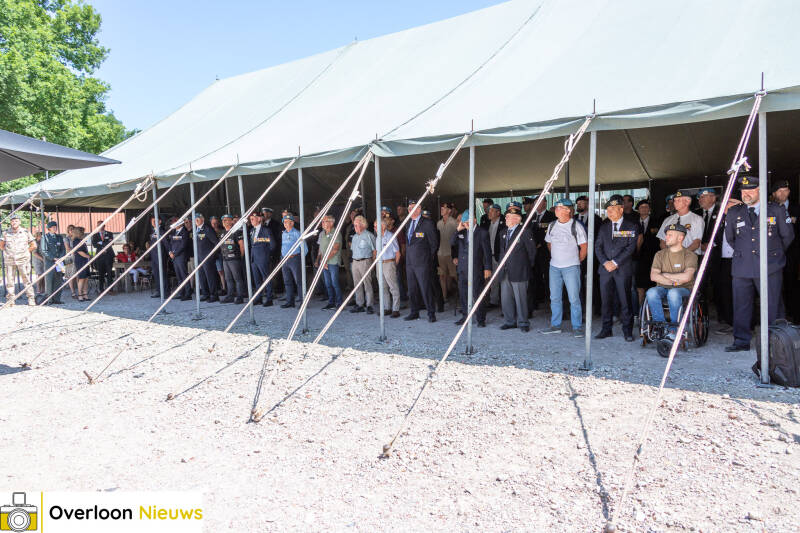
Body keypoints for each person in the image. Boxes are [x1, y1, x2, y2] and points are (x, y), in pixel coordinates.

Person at [724, 175, 794, 351]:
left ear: (760, 190)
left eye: (750, 190)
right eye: (743, 190)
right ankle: (741, 341)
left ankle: (775, 342)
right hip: (742, 266)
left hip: (770, 266)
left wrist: (772, 254)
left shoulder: (776, 210)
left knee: (773, 306)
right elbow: (731, 238)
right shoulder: (734, 212)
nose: (746, 194)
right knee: (741, 305)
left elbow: (787, 236)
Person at [594, 194, 639, 341]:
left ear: (621, 209)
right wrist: (605, 262)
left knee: (625, 300)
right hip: (605, 270)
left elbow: (630, 248)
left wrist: (615, 262)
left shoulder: (631, 226)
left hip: (622, 269)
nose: (610, 211)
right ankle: (606, 329)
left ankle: (627, 331)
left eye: (613, 208)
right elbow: (598, 247)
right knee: (605, 300)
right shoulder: (604, 227)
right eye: (608, 208)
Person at [540, 198, 587, 336]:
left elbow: (584, 247)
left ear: (568, 210)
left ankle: (577, 327)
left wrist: (576, 260)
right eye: (556, 208)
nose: (556, 210)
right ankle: (556, 325)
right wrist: (557, 257)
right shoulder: (552, 225)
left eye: (560, 208)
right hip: (554, 267)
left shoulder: (576, 226)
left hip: (571, 267)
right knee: (554, 297)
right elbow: (549, 244)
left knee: (574, 298)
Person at [646, 223, 698, 339]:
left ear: (680, 238)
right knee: (651, 292)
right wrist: (673, 281)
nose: (666, 238)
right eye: (666, 235)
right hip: (663, 288)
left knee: (673, 293)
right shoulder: (660, 254)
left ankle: (674, 330)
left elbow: (687, 277)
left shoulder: (690, 255)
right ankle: (661, 326)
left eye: (670, 235)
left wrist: (664, 275)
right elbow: (654, 276)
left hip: (684, 289)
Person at [496, 202, 537, 331]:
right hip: (505, 270)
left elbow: (532, 252)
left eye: (510, 217)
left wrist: (525, 266)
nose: (507, 219)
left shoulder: (524, 232)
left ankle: (523, 322)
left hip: (519, 270)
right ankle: (509, 321)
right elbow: (500, 251)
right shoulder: (503, 232)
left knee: (521, 299)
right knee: (506, 298)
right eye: (507, 216)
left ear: (517, 219)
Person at [451, 210, 492, 327]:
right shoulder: (462, 232)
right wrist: (457, 229)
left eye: (468, 222)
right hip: (463, 269)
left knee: (477, 293)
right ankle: (465, 316)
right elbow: (452, 242)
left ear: (474, 220)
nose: (466, 224)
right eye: (464, 223)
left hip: (476, 268)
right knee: (463, 294)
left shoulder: (482, 232)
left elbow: (487, 252)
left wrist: (487, 268)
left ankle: (481, 319)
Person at [404, 199, 439, 322]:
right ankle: (414, 312)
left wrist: (428, 259)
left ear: (419, 209)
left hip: (422, 262)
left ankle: (431, 313)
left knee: (425, 287)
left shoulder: (427, 223)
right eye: (408, 208)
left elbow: (434, 243)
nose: (410, 210)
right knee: (412, 288)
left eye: (412, 208)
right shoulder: (408, 223)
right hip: (410, 262)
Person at [770, 180, 800, 322]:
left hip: (793, 254)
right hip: (774, 254)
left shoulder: (796, 208)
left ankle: (794, 314)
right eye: (779, 191)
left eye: (785, 190)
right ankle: (778, 315)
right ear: (774, 193)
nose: (783, 193)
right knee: (775, 285)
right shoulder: (768, 208)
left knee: (791, 282)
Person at [527, 195, 556, 312]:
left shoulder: (552, 216)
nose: (536, 205)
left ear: (544, 203)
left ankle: (551, 305)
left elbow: (553, 235)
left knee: (549, 279)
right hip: (533, 254)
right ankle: (533, 303)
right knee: (533, 278)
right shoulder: (531, 216)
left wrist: (540, 244)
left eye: (538, 202)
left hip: (546, 253)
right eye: (535, 203)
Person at [0, 214, 37, 306]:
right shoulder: (5, 233)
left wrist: (25, 252)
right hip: (10, 260)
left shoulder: (25, 232)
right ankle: (10, 300)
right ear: (10, 222)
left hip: (23, 260)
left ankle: (31, 298)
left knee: (26, 280)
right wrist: (8, 253)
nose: (14, 223)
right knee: (10, 281)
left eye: (16, 221)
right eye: (12, 221)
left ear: (19, 222)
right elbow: (1, 245)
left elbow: (34, 245)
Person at [657, 190, 703, 255]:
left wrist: (680, 255)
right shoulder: (668, 220)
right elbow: (662, 241)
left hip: (689, 257)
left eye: (678, 200)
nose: (675, 203)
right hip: (670, 257)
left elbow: (696, 243)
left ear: (687, 202)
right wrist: (668, 255)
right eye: (675, 200)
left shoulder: (697, 219)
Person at [635, 199, 660, 312]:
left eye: (646, 207)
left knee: (652, 285)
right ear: (638, 210)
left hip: (652, 259)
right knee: (639, 286)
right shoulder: (633, 222)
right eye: (641, 207)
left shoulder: (657, 221)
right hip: (637, 259)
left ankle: (651, 310)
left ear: (649, 209)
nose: (644, 209)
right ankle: (641, 311)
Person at [349, 215, 377, 314]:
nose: (355, 227)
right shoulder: (355, 237)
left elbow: (375, 251)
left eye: (356, 225)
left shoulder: (369, 235)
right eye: (354, 225)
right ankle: (359, 304)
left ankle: (369, 305)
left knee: (367, 284)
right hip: (355, 262)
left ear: (362, 225)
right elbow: (353, 250)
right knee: (357, 284)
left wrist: (373, 263)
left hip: (365, 261)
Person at [249, 211, 277, 306]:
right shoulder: (252, 230)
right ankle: (259, 297)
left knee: (266, 278)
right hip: (254, 258)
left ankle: (269, 298)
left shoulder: (266, 230)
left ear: (259, 219)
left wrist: (266, 254)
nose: (251, 220)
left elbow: (273, 245)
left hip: (263, 258)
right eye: (251, 218)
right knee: (257, 280)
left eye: (253, 218)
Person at [375, 217, 401, 317]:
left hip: (389, 263)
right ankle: (387, 308)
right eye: (374, 226)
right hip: (379, 264)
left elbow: (398, 253)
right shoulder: (378, 237)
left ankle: (396, 309)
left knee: (393, 286)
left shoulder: (390, 236)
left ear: (383, 226)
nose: (375, 228)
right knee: (383, 287)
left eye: (376, 226)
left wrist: (394, 265)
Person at [316, 215, 343, 310]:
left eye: (325, 221)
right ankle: (331, 302)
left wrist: (325, 261)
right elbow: (322, 249)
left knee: (334, 282)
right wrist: (322, 260)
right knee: (328, 283)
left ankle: (339, 303)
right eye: (322, 221)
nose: (323, 223)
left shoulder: (336, 233)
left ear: (331, 222)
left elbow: (335, 249)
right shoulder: (322, 233)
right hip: (325, 262)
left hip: (333, 262)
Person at [280, 214, 305, 308]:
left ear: (292, 223)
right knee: (287, 281)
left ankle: (303, 302)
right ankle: (290, 301)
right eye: (284, 222)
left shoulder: (297, 233)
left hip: (294, 259)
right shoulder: (284, 233)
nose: (286, 224)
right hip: (284, 259)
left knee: (299, 281)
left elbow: (304, 249)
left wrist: (300, 259)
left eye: (288, 222)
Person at [194, 213, 220, 302]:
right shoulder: (195, 229)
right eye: (195, 219)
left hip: (207, 257)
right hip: (199, 257)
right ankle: (206, 294)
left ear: (203, 219)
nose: (196, 220)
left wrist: (212, 255)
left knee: (210, 276)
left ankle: (214, 295)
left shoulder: (207, 229)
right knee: (202, 276)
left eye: (198, 218)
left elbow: (216, 242)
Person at [219, 214, 246, 304]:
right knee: (228, 279)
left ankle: (240, 297)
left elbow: (242, 246)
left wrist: (240, 257)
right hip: (225, 259)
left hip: (234, 259)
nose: (224, 222)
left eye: (226, 220)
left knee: (237, 278)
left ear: (231, 221)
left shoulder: (236, 232)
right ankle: (230, 296)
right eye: (223, 220)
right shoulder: (222, 233)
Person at [436, 202, 458, 308]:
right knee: (442, 275)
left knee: (455, 275)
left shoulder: (454, 223)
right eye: (441, 208)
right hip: (440, 253)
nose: (442, 210)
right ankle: (444, 297)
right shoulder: (439, 223)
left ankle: (462, 296)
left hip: (450, 253)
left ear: (449, 211)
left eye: (444, 208)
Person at [167, 216, 193, 301]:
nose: (173, 224)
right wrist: (170, 252)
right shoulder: (174, 232)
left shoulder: (184, 232)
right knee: (179, 276)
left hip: (181, 257)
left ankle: (188, 293)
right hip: (174, 257)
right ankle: (181, 292)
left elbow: (183, 245)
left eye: (175, 222)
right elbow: (170, 243)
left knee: (184, 275)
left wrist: (175, 253)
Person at [41, 221, 66, 304]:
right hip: (50, 262)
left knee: (58, 280)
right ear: (49, 228)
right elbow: (44, 251)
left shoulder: (59, 237)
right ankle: (49, 300)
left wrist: (61, 258)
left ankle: (57, 299)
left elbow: (63, 249)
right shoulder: (45, 237)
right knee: (49, 280)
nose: (55, 228)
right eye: (53, 227)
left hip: (59, 262)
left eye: (55, 227)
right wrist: (53, 258)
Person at [146, 215, 168, 298]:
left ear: (160, 221)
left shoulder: (161, 231)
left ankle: (165, 292)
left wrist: (169, 252)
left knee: (162, 274)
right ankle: (159, 290)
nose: (153, 223)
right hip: (154, 256)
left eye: (155, 221)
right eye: (152, 221)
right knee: (156, 274)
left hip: (160, 255)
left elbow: (165, 243)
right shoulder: (153, 231)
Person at [91, 222, 115, 291]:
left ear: (104, 226)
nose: (100, 227)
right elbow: (94, 245)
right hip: (100, 256)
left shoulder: (109, 233)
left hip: (109, 255)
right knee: (101, 273)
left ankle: (110, 289)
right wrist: (105, 244)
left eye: (102, 225)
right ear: (97, 226)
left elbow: (111, 242)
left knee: (109, 273)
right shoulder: (95, 235)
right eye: (99, 225)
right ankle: (101, 289)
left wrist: (101, 243)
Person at [70, 226, 91, 301]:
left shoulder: (81, 240)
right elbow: (79, 251)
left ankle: (85, 294)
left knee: (86, 278)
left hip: (85, 260)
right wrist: (88, 256)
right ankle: (80, 294)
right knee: (82, 278)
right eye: (82, 231)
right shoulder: (76, 241)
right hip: (80, 260)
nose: (83, 233)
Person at [32, 230, 45, 295]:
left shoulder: (42, 243)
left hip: (43, 260)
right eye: (41, 236)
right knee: (40, 275)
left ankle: (43, 289)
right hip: (37, 261)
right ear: (37, 236)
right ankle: (38, 289)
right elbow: (34, 253)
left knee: (44, 275)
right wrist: (42, 259)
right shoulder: (35, 243)